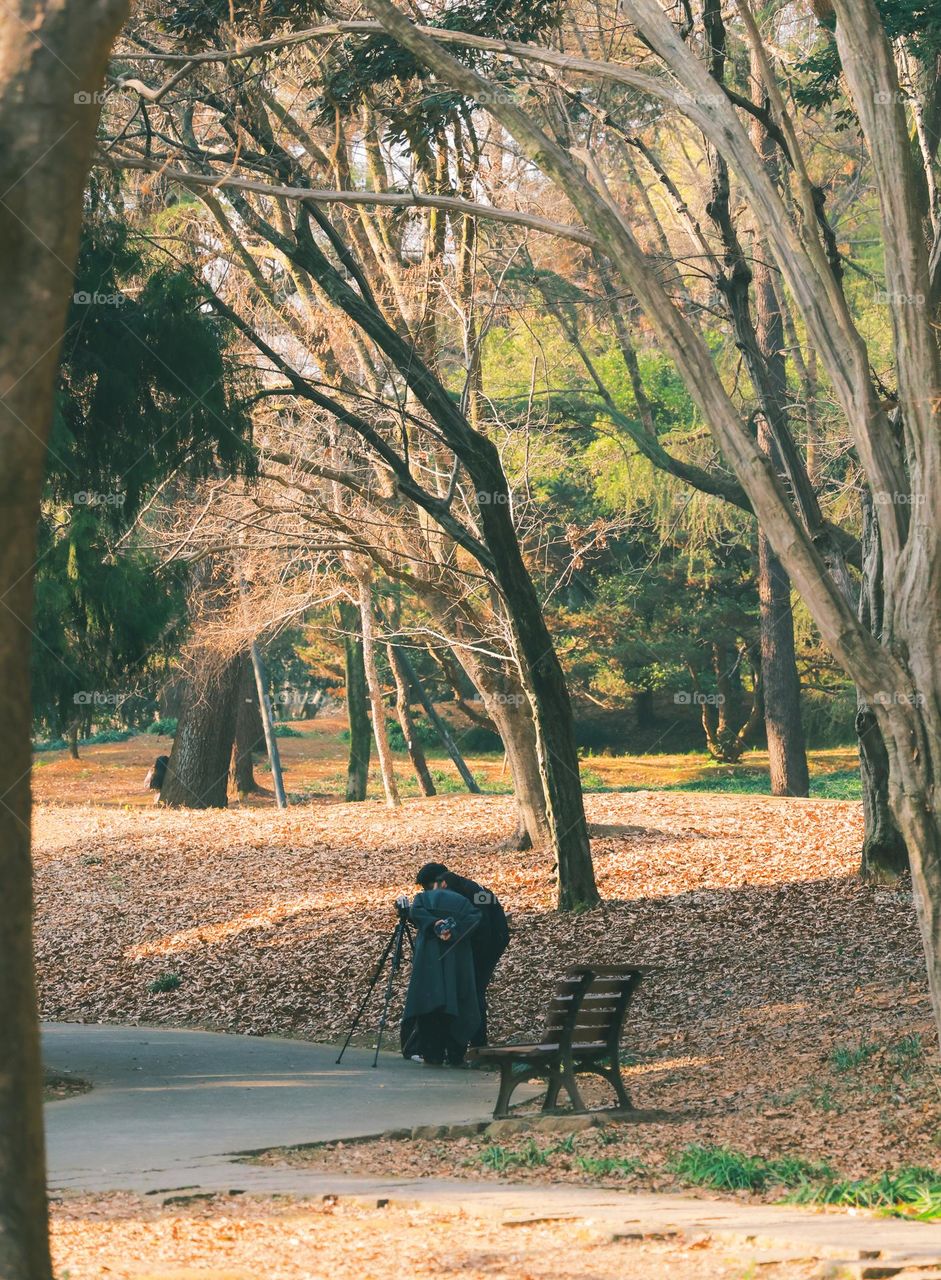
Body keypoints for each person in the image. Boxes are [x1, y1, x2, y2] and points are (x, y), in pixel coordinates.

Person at [415, 862, 510, 1047]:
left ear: (439, 881)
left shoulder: (464, 891)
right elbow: (491, 901)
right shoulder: (470, 888)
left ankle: (478, 1043)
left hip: (488, 944)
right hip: (492, 938)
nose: (428, 894)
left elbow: (482, 920)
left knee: (475, 992)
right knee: (473, 991)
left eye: (427, 888)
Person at [402, 886, 481, 1066]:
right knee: (458, 1002)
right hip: (458, 962)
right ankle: (455, 1055)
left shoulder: (422, 899)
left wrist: (434, 923)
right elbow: (475, 919)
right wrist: (454, 931)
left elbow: (415, 913)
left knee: (428, 1005)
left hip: (428, 961)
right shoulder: (464, 903)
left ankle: (432, 1055)